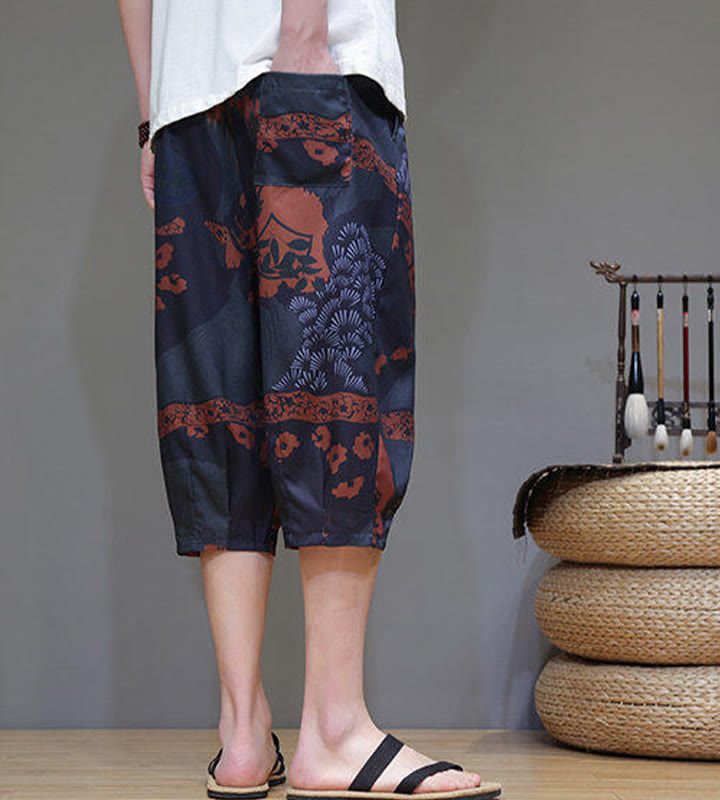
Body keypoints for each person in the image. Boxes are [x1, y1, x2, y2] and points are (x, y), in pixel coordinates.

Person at [116, 2, 501, 798]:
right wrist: (304, 32)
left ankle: (241, 734)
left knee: (217, 410)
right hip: (304, 66)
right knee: (337, 381)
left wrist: (155, 111)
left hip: (187, 104)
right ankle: (332, 729)